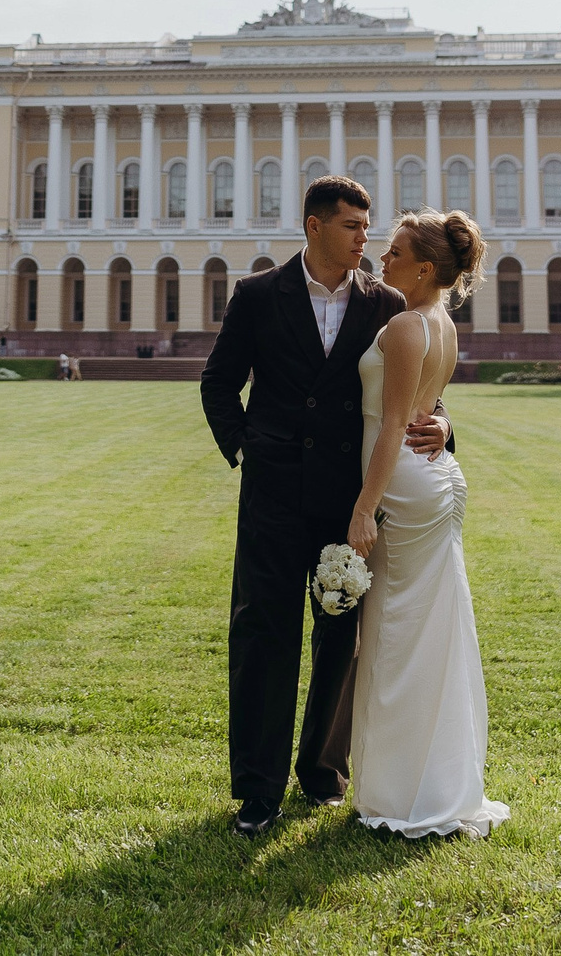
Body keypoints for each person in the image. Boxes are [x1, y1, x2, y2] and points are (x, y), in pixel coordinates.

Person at [199, 175, 451, 837]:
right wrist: (246, 450)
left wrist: (446, 427)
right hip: (274, 495)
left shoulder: (388, 301)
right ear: (314, 226)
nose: (364, 239)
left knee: (340, 638)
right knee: (264, 637)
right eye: (351, 227)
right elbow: (219, 381)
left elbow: (418, 387)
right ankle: (257, 791)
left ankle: (322, 774)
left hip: (349, 498)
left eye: (367, 228)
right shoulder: (258, 296)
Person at [347, 209, 511, 839]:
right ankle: (427, 778)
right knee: (428, 627)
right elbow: (430, 407)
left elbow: (391, 426)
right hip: (436, 478)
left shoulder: (407, 326)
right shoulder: (442, 322)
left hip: (408, 488)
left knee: (395, 634)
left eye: (391, 254)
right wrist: (441, 424)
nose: (379, 261)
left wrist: (365, 507)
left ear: (423, 268)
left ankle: (402, 791)